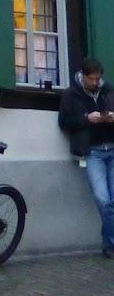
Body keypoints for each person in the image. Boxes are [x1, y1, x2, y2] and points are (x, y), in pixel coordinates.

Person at [59, 56, 114, 257]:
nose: (94, 82)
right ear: (83, 76)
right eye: (91, 79)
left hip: (113, 148)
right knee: (103, 199)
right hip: (92, 153)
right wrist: (86, 119)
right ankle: (111, 243)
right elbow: (64, 122)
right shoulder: (70, 94)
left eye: (97, 79)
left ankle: (109, 245)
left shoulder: (109, 90)